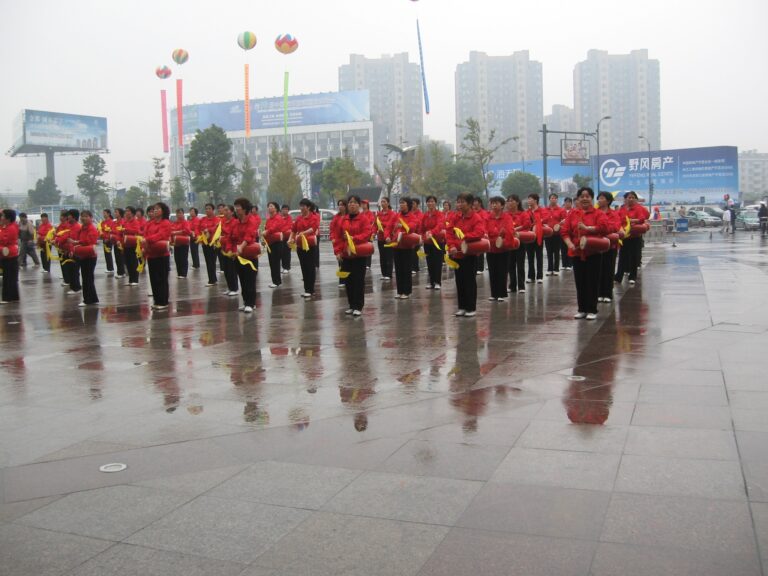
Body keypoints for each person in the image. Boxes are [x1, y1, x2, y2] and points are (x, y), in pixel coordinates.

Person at [560, 187, 610, 320]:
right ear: (578, 198)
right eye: (582, 196)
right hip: (577, 253)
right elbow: (564, 231)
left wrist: (588, 228)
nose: (584, 198)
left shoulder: (598, 213)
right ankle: (581, 309)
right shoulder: (572, 214)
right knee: (580, 282)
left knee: (592, 281)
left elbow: (604, 228)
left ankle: (592, 310)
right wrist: (570, 244)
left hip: (593, 252)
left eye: (587, 196)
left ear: (592, 198)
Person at [446, 193, 486, 317]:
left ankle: (471, 308)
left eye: (462, 202)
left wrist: (463, 236)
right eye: (458, 202)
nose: (459, 204)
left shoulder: (476, 217)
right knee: (459, 280)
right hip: (457, 253)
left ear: (469, 204)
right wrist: (452, 245)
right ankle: (462, 307)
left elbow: (479, 232)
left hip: (469, 253)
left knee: (469, 281)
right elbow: (449, 232)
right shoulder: (456, 217)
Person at [335, 195, 371, 316]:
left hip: (359, 254)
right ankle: (351, 305)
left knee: (358, 280)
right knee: (348, 281)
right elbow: (338, 237)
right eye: (350, 202)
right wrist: (338, 251)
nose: (352, 204)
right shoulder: (343, 219)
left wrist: (353, 238)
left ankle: (358, 306)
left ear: (359, 205)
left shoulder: (363, 219)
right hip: (346, 255)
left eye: (355, 202)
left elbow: (367, 233)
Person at [387, 197, 421, 299]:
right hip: (396, 246)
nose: (401, 205)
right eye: (400, 203)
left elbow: (412, 227)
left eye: (403, 203)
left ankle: (407, 291)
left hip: (407, 246)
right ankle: (400, 291)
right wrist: (387, 236)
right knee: (398, 269)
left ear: (408, 205)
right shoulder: (396, 216)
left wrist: (402, 225)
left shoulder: (412, 216)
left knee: (406, 269)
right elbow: (388, 227)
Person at [615, 191, 649, 286]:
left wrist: (633, 220)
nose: (630, 199)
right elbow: (617, 219)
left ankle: (632, 277)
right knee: (622, 256)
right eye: (629, 197)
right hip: (624, 236)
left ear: (635, 199)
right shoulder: (622, 209)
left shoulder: (638, 208)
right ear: (625, 199)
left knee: (634, 257)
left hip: (635, 236)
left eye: (633, 197)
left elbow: (642, 218)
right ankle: (618, 277)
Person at [232, 197, 259, 313]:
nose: (236, 209)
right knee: (242, 279)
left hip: (249, 254)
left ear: (244, 208)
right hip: (238, 254)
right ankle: (246, 301)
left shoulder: (251, 220)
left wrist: (240, 247)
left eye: (238, 207)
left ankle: (251, 303)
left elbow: (249, 236)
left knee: (250, 279)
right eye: (235, 207)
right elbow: (233, 236)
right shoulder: (236, 222)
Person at [144, 202, 172, 310]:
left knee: (161, 279)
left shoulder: (166, 223)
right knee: (154, 279)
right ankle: (157, 301)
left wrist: (148, 240)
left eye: (158, 209)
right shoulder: (150, 223)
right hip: (151, 254)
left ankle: (163, 302)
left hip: (162, 254)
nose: (155, 211)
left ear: (163, 211)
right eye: (154, 209)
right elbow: (145, 234)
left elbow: (161, 235)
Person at [290, 198, 320, 298]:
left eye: (303, 206)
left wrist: (303, 233)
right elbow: (293, 230)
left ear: (308, 207)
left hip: (310, 245)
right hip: (300, 245)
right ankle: (307, 289)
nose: (301, 208)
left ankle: (310, 289)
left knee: (310, 267)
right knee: (303, 267)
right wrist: (290, 239)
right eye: (301, 206)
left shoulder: (314, 217)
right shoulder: (299, 218)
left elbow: (313, 229)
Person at [485, 196, 513, 301]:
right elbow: (484, 229)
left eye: (496, 203)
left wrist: (501, 236)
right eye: (492, 203)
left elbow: (509, 230)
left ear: (502, 205)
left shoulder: (507, 217)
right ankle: (494, 294)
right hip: (491, 248)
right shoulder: (488, 217)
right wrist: (487, 234)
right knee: (492, 271)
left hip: (503, 248)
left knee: (502, 271)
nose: (494, 205)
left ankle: (501, 293)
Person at [596, 192, 621, 303]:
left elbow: (616, 226)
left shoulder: (614, 214)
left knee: (609, 269)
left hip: (611, 245)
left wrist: (601, 229)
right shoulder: (595, 212)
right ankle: (599, 293)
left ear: (608, 201)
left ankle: (607, 293)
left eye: (602, 198)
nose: (599, 200)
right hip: (596, 245)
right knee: (598, 269)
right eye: (599, 198)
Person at [74, 210, 99, 307]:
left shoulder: (92, 228)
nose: (83, 218)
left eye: (86, 216)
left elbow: (89, 241)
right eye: (82, 216)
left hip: (89, 255)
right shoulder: (82, 228)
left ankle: (88, 300)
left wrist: (77, 242)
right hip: (83, 255)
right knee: (87, 277)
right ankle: (93, 298)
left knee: (87, 278)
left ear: (91, 218)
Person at [421, 195, 445, 290]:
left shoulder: (439, 214)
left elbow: (440, 225)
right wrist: (423, 237)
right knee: (429, 262)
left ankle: (437, 282)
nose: (430, 203)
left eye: (432, 201)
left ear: (435, 203)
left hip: (437, 242)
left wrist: (432, 232)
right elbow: (422, 228)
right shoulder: (425, 215)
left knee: (437, 262)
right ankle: (431, 282)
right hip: (428, 242)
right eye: (428, 201)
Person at [505, 195, 528, 294]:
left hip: (520, 241)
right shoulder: (506, 215)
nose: (510, 203)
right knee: (510, 264)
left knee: (520, 264)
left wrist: (515, 229)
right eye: (508, 201)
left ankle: (521, 286)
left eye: (512, 201)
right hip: (509, 242)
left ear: (517, 202)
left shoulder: (523, 214)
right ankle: (512, 286)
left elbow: (526, 224)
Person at [525, 193, 546, 284]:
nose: (528, 201)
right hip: (529, 236)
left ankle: (540, 276)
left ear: (535, 200)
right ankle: (531, 276)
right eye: (528, 199)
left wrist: (538, 222)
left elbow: (545, 219)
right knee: (530, 257)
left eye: (530, 199)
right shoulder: (527, 211)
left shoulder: (541, 210)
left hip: (539, 236)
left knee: (539, 256)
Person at [263, 202, 284, 289]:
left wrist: (267, 232)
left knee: (275, 262)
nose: (269, 208)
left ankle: (277, 281)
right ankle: (275, 281)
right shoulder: (268, 219)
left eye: (271, 206)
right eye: (268, 206)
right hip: (270, 243)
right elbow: (266, 229)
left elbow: (274, 228)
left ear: (276, 208)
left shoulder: (278, 218)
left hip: (276, 243)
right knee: (271, 262)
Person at [0, 209, 20, 304]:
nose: (1, 218)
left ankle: (8, 298)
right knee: (9, 276)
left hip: (9, 255)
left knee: (8, 277)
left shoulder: (11, 228)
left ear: (8, 218)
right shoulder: (7, 226)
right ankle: (12, 297)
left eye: (3, 216)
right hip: (7, 254)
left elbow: (4, 241)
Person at [199, 203, 221, 287]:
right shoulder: (203, 219)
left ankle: (212, 280)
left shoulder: (217, 219)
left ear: (213, 210)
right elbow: (199, 228)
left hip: (213, 243)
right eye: (206, 208)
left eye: (209, 208)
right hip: (205, 242)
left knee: (212, 261)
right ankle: (212, 279)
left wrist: (208, 229)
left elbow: (216, 228)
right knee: (208, 261)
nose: (207, 210)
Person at [220, 205, 240, 296]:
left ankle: (234, 288)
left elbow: (234, 236)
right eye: (224, 210)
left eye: (227, 210)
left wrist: (224, 238)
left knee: (232, 269)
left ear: (232, 212)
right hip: (224, 248)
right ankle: (230, 287)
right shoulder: (223, 222)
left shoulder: (235, 222)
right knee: (226, 269)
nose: (225, 212)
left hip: (232, 248)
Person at [544, 193, 566, 276]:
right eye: (552, 198)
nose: (553, 199)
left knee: (556, 251)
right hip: (547, 234)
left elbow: (565, 221)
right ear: (549, 199)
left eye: (555, 198)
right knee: (549, 251)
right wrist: (544, 225)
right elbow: (543, 220)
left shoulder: (561, 210)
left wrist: (560, 225)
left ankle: (556, 269)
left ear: (557, 199)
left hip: (557, 234)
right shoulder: (545, 210)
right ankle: (550, 269)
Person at [375, 197, 395, 281]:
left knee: (389, 256)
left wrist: (382, 224)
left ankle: (389, 274)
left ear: (388, 203)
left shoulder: (392, 214)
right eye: (381, 202)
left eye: (384, 201)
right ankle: (383, 274)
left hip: (389, 238)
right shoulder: (379, 214)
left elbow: (391, 224)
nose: (382, 203)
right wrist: (374, 232)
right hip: (380, 238)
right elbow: (375, 224)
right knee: (382, 256)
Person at [121, 206, 142, 287]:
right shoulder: (125, 222)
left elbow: (136, 231)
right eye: (126, 211)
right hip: (126, 244)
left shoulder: (135, 221)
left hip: (133, 244)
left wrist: (126, 230)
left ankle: (135, 280)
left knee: (133, 262)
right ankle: (130, 280)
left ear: (132, 213)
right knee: (128, 262)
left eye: (128, 211)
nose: (126, 212)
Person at [330, 199, 348, 287]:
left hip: (348, 242)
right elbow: (332, 229)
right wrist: (332, 238)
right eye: (339, 205)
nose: (340, 207)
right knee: (341, 262)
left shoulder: (349, 216)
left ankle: (348, 280)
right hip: (338, 242)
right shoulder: (336, 217)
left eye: (342, 205)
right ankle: (342, 281)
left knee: (348, 262)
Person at [171, 208, 191, 279]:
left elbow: (187, 231)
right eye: (177, 213)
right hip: (176, 243)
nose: (179, 214)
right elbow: (171, 230)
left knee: (183, 258)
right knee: (177, 258)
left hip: (183, 242)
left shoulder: (185, 222)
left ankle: (183, 273)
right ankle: (179, 273)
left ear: (183, 214)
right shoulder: (174, 223)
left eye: (180, 213)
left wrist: (176, 232)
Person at [472, 198, 489, 274]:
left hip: (482, 233)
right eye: (473, 202)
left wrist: (484, 232)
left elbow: (484, 223)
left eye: (475, 201)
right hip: (474, 233)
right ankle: (475, 267)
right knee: (474, 250)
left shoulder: (483, 212)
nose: (474, 203)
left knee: (480, 249)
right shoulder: (472, 212)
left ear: (480, 203)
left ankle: (480, 268)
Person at [100, 209, 116, 276]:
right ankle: (109, 268)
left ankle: (110, 268)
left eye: (105, 213)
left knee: (108, 253)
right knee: (106, 254)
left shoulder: (111, 222)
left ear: (109, 214)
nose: (103, 214)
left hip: (109, 239)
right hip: (104, 239)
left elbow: (111, 231)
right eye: (103, 213)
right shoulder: (103, 222)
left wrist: (108, 238)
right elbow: (101, 230)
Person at [560, 197, 574, 271]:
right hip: (563, 232)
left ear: (571, 203)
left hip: (571, 233)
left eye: (569, 202)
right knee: (563, 249)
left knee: (570, 248)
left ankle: (570, 264)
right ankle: (564, 264)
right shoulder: (562, 211)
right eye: (566, 202)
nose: (567, 203)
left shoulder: (573, 211)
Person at [113, 208, 126, 278]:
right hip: (115, 242)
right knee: (117, 258)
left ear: (120, 213)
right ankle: (120, 272)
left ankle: (122, 273)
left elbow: (121, 232)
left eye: (116, 212)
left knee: (120, 258)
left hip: (121, 242)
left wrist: (119, 240)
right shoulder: (115, 222)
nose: (115, 213)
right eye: (115, 212)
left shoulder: (122, 221)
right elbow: (113, 230)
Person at [280, 204, 293, 274]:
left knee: (287, 253)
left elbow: (289, 226)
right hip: (280, 238)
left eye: (286, 209)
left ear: (288, 210)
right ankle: (283, 267)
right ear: (281, 210)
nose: (285, 210)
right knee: (281, 253)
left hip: (288, 238)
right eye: (284, 209)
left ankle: (287, 267)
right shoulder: (279, 217)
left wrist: (282, 231)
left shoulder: (289, 218)